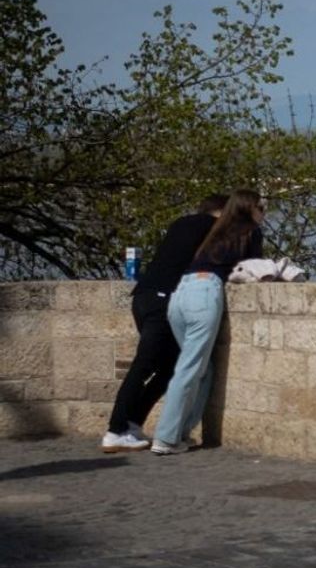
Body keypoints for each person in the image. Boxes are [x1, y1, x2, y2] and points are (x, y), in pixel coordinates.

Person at [101, 193, 227, 453]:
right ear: (222, 212)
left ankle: (133, 424)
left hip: (144, 297)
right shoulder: (210, 227)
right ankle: (116, 430)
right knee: (144, 365)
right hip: (162, 301)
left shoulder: (182, 223)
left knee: (170, 366)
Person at [151, 190, 265, 455]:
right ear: (249, 209)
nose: (264, 214)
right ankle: (165, 438)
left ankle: (181, 433)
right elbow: (255, 269)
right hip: (204, 294)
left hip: (180, 293)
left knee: (203, 370)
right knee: (190, 368)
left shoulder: (215, 232)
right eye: (261, 208)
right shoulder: (250, 232)